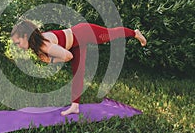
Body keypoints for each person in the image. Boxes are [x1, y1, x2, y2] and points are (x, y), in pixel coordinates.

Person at [11, 20, 147, 116]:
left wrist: (52, 60)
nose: (18, 46)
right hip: (75, 44)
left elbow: (67, 56)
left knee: (110, 34)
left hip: (84, 32)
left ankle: (134, 33)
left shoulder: (44, 44)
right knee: (78, 74)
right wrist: (49, 59)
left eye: (18, 43)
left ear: (26, 36)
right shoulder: (38, 43)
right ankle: (75, 106)